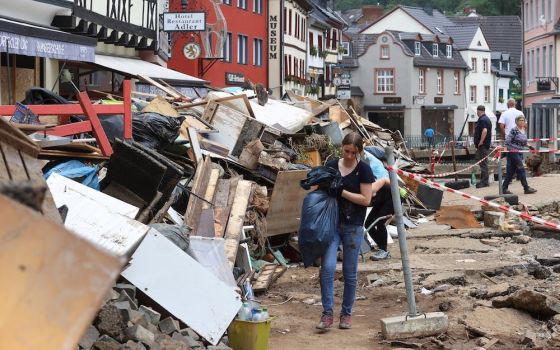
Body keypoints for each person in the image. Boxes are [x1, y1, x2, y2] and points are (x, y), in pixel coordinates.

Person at [317, 132, 374, 331]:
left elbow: (366, 200)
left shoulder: (364, 170)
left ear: (359, 151)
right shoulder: (332, 166)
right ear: (342, 147)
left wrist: (342, 192)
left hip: (353, 226)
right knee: (328, 269)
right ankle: (327, 313)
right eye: (346, 151)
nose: (349, 155)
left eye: (353, 152)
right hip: (331, 224)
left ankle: (346, 314)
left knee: (350, 273)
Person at [362, 149, 393, 260]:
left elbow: (385, 180)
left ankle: (384, 251)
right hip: (380, 201)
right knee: (368, 223)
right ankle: (381, 247)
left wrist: (398, 188)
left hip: (391, 199)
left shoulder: (372, 184)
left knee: (380, 223)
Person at [502, 115, 537, 195]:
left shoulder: (523, 130)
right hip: (513, 152)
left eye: (523, 120)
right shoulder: (514, 130)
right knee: (521, 169)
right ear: (517, 121)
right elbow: (507, 142)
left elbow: (523, 142)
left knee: (510, 172)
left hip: (519, 153)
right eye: (520, 120)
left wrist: (529, 146)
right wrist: (517, 148)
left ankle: (504, 188)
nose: (522, 122)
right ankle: (526, 188)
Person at [474, 105, 492, 188]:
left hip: (483, 145)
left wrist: (480, 142)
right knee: (483, 162)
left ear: (478, 111)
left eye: (477, 112)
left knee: (483, 163)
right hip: (485, 144)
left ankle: (484, 181)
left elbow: (484, 131)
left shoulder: (482, 120)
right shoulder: (486, 119)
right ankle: (483, 180)